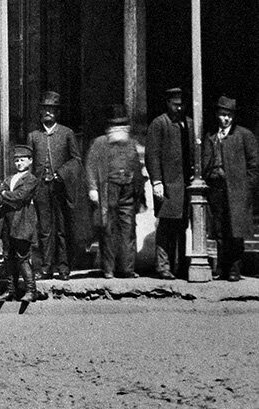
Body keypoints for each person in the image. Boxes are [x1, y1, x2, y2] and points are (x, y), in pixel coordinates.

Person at [27, 91, 84, 281]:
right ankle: (45, 267)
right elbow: (28, 164)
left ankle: (64, 267)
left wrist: (62, 173)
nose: (48, 112)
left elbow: (76, 160)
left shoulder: (67, 133)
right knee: (44, 229)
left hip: (61, 187)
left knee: (62, 228)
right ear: (40, 112)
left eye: (52, 109)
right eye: (45, 109)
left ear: (57, 113)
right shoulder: (34, 136)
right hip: (41, 188)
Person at [201, 95, 257, 281]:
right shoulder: (211, 136)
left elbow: (254, 165)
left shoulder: (243, 135)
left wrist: (246, 187)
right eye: (223, 114)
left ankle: (234, 269)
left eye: (229, 116)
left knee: (235, 230)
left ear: (233, 117)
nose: (225, 119)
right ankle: (222, 268)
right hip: (216, 188)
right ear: (217, 114)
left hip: (236, 190)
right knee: (219, 230)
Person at [86, 106, 143, 279]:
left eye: (123, 126)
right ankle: (108, 269)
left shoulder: (132, 144)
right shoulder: (100, 143)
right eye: (116, 126)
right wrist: (92, 188)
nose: (120, 130)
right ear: (110, 129)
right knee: (108, 229)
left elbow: (138, 169)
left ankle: (127, 269)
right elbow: (90, 166)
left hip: (128, 190)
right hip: (108, 189)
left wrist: (141, 196)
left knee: (128, 228)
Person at [146, 87, 194, 280]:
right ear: (168, 104)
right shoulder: (159, 124)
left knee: (182, 227)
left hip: (185, 185)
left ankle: (182, 266)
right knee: (166, 227)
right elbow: (152, 155)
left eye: (182, 104)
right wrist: (157, 181)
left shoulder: (189, 124)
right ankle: (163, 266)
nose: (179, 108)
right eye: (175, 105)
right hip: (166, 185)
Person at [0, 145, 43, 300]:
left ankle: (31, 290)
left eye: (22, 160)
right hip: (7, 222)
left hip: (22, 221)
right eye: (16, 160)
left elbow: (21, 197)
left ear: (30, 161)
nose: (19, 163)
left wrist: (4, 195)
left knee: (22, 256)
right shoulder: (9, 178)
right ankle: (10, 290)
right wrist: (5, 195)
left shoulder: (31, 179)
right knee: (8, 257)